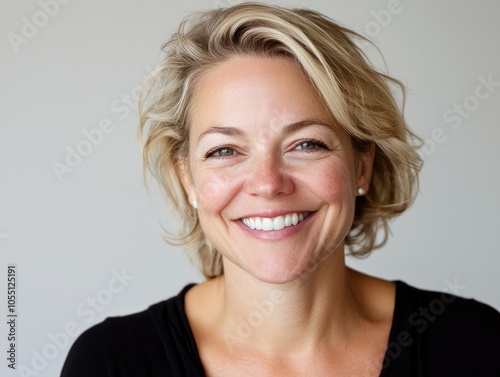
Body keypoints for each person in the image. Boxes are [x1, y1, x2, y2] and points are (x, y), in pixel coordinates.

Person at [61, 3, 500, 376]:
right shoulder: (111, 362)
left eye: (306, 144)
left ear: (361, 165)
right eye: (225, 150)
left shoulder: (473, 345)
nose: (268, 184)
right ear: (187, 179)